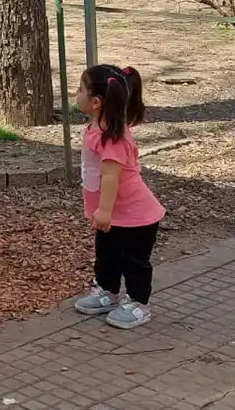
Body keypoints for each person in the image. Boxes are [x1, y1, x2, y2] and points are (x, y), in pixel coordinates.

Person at [72, 65, 165, 330]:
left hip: (135, 216)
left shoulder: (113, 137)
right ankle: (108, 291)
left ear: (96, 101)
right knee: (107, 255)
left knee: (133, 262)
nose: (75, 94)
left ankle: (138, 303)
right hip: (113, 213)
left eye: (80, 90)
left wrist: (103, 211)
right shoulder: (97, 127)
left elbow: (110, 177)